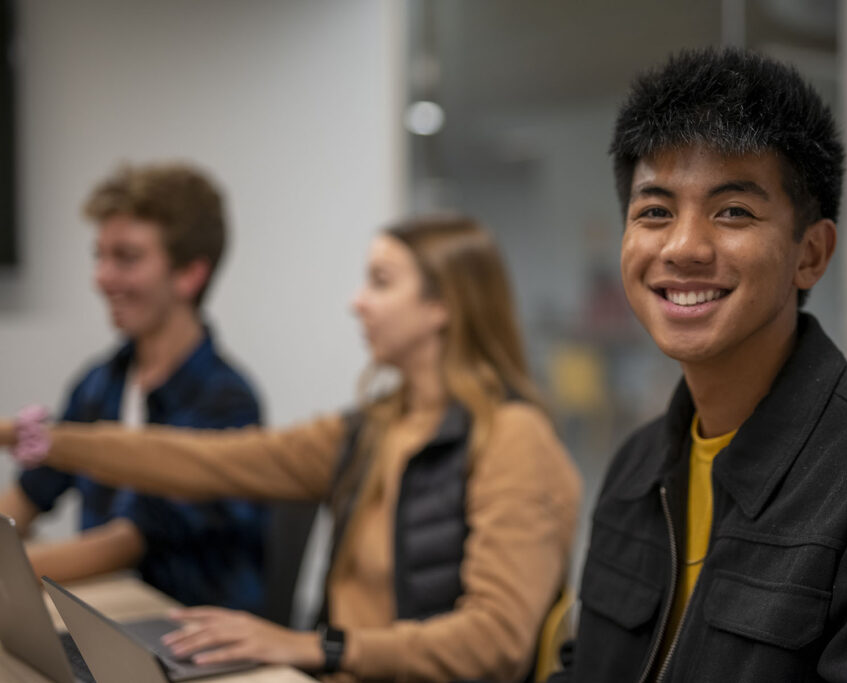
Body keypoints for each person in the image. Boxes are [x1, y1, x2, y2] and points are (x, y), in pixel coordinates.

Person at [550, 48, 847, 682]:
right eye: (655, 211)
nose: (683, 247)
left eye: (733, 211)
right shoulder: (636, 468)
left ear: (811, 254)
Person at [2, 215, 581, 682]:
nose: (357, 302)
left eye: (380, 282)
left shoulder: (512, 439)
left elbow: (497, 642)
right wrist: (47, 440)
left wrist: (316, 646)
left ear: (443, 306)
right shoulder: (373, 429)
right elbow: (207, 460)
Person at [0, 162, 266, 612]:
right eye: (99, 256)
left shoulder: (227, 402)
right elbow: (31, 492)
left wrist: (15, 568)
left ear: (190, 275)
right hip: (108, 617)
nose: (102, 278)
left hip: (190, 643)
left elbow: (130, 540)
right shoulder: (99, 382)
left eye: (126, 258)